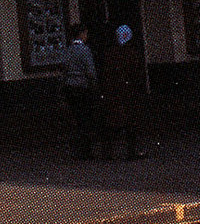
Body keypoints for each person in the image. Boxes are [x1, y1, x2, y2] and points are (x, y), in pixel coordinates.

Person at [98, 21, 146, 159]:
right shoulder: (131, 53)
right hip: (128, 90)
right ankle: (131, 151)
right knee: (130, 121)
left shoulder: (110, 53)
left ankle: (108, 152)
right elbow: (136, 72)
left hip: (113, 90)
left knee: (114, 120)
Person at [61, 23, 98, 158]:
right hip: (82, 87)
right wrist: (94, 85)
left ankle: (76, 150)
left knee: (76, 118)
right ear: (82, 34)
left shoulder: (68, 50)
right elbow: (90, 71)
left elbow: (64, 70)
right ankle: (86, 150)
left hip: (70, 87)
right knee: (85, 118)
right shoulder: (85, 50)